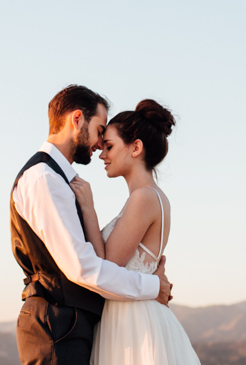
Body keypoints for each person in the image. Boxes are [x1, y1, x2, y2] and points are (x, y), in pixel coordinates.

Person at [10, 85, 173, 365]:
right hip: (56, 325)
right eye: (100, 132)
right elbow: (84, 267)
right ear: (77, 120)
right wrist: (152, 286)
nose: (100, 147)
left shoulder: (59, 180)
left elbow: (97, 262)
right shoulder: (44, 179)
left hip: (77, 327)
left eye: (107, 143)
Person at [70, 99, 201, 365]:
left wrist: (88, 209)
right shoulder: (148, 197)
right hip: (130, 317)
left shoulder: (144, 197)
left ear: (136, 148)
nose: (102, 155)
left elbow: (107, 267)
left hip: (132, 324)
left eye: (109, 146)